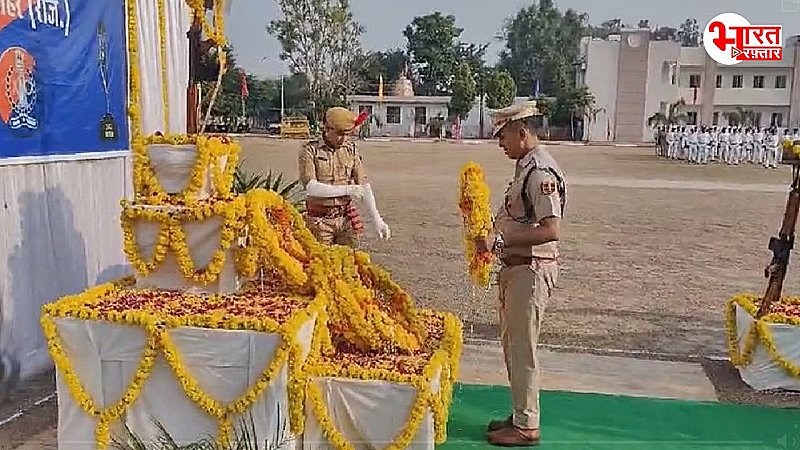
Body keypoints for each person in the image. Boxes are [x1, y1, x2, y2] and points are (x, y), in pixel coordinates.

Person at [477, 101, 564, 446]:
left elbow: (551, 229)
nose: (500, 143)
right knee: (513, 346)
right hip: (517, 268)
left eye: (503, 136)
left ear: (522, 132)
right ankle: (520, 412)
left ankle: (527, 425)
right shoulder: (525, 167)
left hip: (531, 270)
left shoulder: (540, 173)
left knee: (523, 348)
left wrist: (502, 238)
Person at [298, 107, 391, 246]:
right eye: (340, 133)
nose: (344, 138)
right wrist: (347, 190)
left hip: (346, 219)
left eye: (348, 134)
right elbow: (311, 187)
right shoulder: (310, 150)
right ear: (327, 129)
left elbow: (364, 184)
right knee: (321, 263)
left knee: (349, 263)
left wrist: (377, 218)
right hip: (320, 222)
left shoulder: (350, 149)